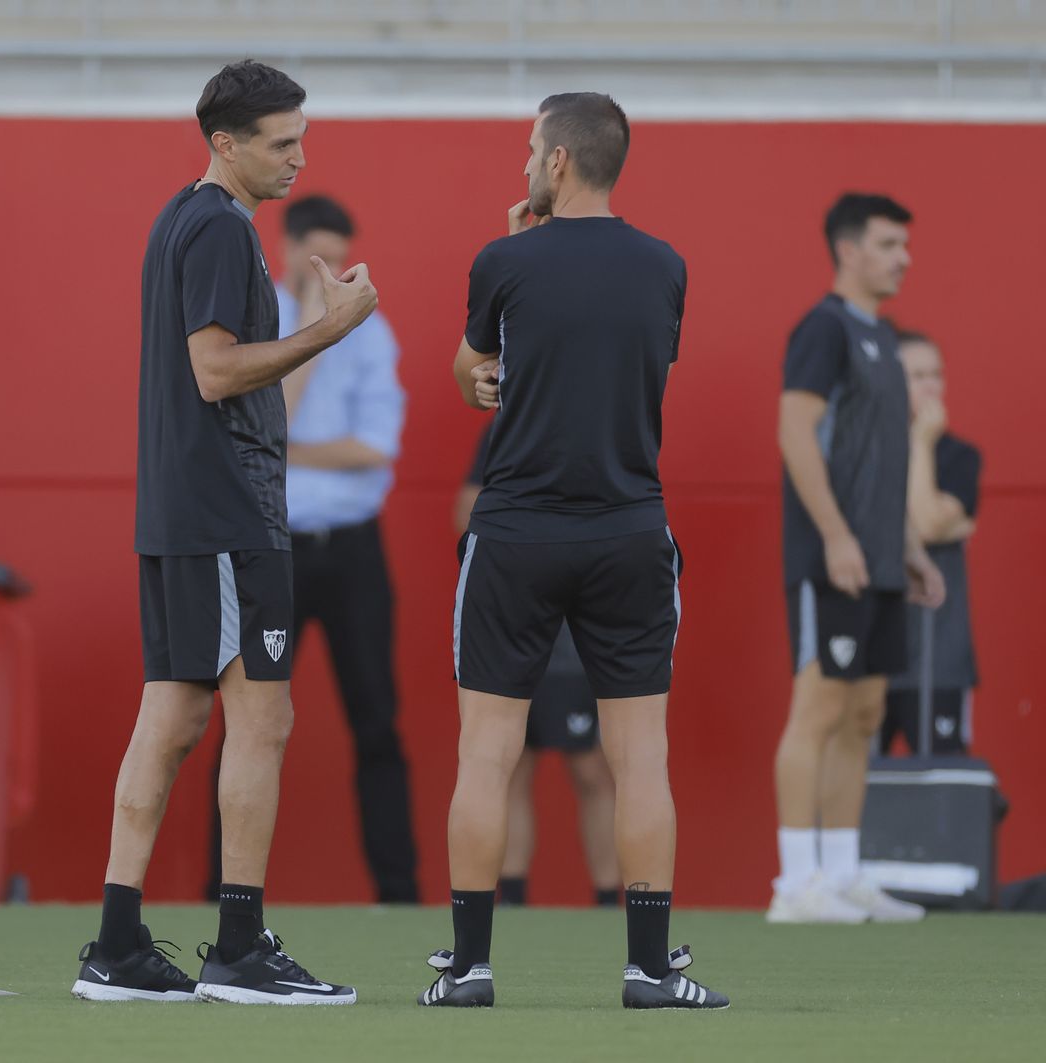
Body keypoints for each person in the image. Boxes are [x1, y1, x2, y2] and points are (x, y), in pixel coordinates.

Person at [71, 60, 377, 1006]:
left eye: (301, 138)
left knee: (171, 718)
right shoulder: (217, 229)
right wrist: (332, 329)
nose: (298, 158)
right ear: (225, 143)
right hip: (227, 519)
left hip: (185, 516)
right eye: (281, 143)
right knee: (262, 720)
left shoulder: (183, 218)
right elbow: (214, 372)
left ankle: (117, 945)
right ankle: (239, 948)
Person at [419, 92, 727, 1011]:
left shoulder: (503, 258)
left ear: (557, 162)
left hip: (515, 533)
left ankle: (469, 968)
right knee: (641, 760)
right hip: (629, 529)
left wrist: (515, 248)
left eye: (528, 151)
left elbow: (471, 371)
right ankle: (649, 970)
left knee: (486, 754)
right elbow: (626, 369)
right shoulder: (666, 266)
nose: (522, 164)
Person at [205, 194, 418, 905]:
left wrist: (291, 445)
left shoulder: (372, 330)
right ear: (288, 248)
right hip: (273, 546)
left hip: (354, 550)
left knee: (378, 722)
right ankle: (222, 891)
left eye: (340, 256)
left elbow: (374, 449)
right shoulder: (254, 315)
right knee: (245, 719)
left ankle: (399, 893)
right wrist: (312, 334)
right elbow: (263, 419)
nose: (328, 269)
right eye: (315, 253)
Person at [769, 195, 946, 925]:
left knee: (864, 711)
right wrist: (838, 536)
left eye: (905, 243)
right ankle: (795, 885)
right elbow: (794, 433)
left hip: (878, 561)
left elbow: (882, 457)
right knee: (817, 708)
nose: (903, 256)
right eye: (888, 243)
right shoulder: (824, 329)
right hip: (829, 557)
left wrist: (906, 548)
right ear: (849, 251)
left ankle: (842, 875)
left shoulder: (885, 341)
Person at [457, 424, 620, 909]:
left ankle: (611, 902)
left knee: (591, 766)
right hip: (516, 611)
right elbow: (465, 511)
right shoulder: (506, 425)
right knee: (511, 763)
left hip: (578, 628)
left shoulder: (602, 422)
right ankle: (510, 899)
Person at [882, 331, 981, 755]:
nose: (930, 385)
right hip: (872, 655)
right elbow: (931, 522)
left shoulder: (960, 456)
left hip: (940, 659)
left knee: (943, 786)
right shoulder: (866, 451)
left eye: (936, 374)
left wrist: (920, 443)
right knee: (858, 791)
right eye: (916, 374)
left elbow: (921, 525)